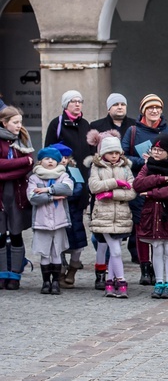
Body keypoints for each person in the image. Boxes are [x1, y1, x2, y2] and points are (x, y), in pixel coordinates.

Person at [122, 94, 168, 285]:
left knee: (160, 228)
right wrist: (142, 161)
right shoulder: (133, 131)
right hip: (141, 184)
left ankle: (158, 269)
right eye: (150, 107)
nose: (154, 111)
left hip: (162, 186)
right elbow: (123, 156)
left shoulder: (167, 130)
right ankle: (145, 268)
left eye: (158, 108)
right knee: (142, 228)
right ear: (143, 110)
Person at [44, 90, 94, 274]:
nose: (77, 104)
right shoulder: (56, 124)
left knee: (76, 219)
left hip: (81, 179)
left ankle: (72, 259)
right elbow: (47, 151)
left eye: (80, 101)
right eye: (73, 101)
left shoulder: (86, 124)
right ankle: (61, 261)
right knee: (61, 221)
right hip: (62, 180)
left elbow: (90, 151)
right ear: (66, 105)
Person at [133, 134, 168, 300]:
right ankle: (159, 282)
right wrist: (161, 179)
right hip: (152, 213)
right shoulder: (147, 166)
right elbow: (137, 184)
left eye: (160, 150)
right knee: (156, 248)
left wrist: (152, 193)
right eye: (154, 149)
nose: (156, 153)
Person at [85, 130, 137, 298]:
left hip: (121, 215)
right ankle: (121, 280)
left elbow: (132, 191)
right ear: (103, 153)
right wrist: (115, 182)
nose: (114, 156)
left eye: (117, 152)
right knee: (115, 250)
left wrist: (111, 193)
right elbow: (94, 187)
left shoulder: (126, 167)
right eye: (110, 153)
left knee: (115, 248)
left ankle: (109, 281)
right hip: (104, 215)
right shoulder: (97, 166)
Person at [27, 146, 73, 295]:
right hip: (41, 222)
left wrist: (48, 190)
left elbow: (67, 189)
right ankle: (45, 281)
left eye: (53, 159)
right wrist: (52, 197)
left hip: (59, 221)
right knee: (44, 253)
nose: (50, 161)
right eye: (47, 159)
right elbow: (33, 198)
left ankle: (55, 282)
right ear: (40, 161)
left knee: (56, 252)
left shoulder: (63, 176)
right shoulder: (34, 178)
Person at [0, 106, 34, 290]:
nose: (19, 126)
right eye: (15, 122)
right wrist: (20, 163)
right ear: (5, 123)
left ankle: (14, 274)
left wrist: (8, 172)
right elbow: (22, 162)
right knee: (0, 235)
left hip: (17, 194)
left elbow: (30, 165)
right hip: (1, 196)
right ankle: (1, 273)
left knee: (16, 233)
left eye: (20, 122)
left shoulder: (23, 138)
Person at [50, 143, 87, 289]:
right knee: (58, 244)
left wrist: (64, 194)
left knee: (77, 245)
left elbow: (79, 188)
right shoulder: (49, 172)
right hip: (56, 212)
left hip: (73, 212)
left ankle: (72, 270)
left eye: (66, 157)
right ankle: (59, 272)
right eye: (61, 157)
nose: (64, 160)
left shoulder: (73, 170)